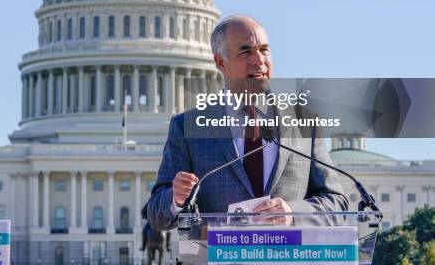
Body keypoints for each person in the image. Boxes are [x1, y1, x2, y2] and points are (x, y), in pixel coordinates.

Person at [146, 15, 348, 230]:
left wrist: (293, 212)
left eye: (264, 50)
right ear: (220, 62)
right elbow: (156, 214)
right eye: (246, 51)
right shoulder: (187, 126)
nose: (259, 60)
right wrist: (176, 199)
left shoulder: (304, 123)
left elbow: (337, 203)